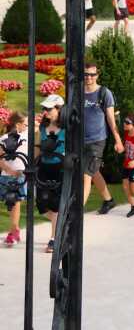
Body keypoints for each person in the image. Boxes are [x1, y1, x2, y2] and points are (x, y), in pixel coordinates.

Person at [82, 63, 124, 213]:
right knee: (94, 171)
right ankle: (108, 200)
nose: (89, 77)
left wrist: (118, 140)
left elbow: (111, 119)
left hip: (97, 140)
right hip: (80, 140)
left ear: (97, 76)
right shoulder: (77, 92)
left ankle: (76, 212)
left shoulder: (104, 93)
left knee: (86, 174)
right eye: (86, 74)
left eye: (92, 74)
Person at [36, 96, 65, 253]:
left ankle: (53, 239)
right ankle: (61, 220)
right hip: (43, 167)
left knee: (55, 205)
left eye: (49, 109)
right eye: (44, 109)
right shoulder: (42, 127)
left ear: (59, 109)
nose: (45, 112)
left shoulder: (67, 128)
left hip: (59, 168)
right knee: (41, 204)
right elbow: (38, 148)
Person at [0, 112, 27, 247]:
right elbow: (0, 158)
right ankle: (15, 229)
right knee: (10, 204)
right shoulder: (4, 138)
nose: (27, 126)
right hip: (7, 175)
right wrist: (9, 170)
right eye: (25, 124)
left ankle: (13, 232)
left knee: (15, 202)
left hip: (20, 175)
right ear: (18, 125)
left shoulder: (26, 136)